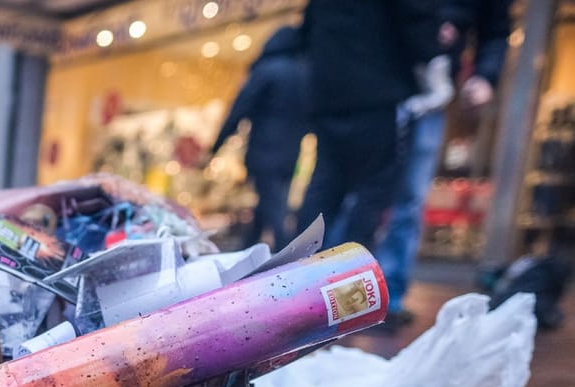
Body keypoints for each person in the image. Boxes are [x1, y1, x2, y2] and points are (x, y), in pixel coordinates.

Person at [374, 0, 512, 328]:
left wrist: (484, 76)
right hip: (383, 83)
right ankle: (339, 288)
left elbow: (495, 29)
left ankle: (385, 296)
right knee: (369, 189)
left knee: (409, 197)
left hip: (431, 91)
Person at [296, 0, 441, 282]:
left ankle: (295, 281)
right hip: (379, 95)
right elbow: (415, 21)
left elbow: (306, 34)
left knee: (324, 190)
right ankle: (347, 289)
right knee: (372, 196)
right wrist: (433, 59)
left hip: (330, 98)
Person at [210, 25, 310, 250]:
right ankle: (249, 250)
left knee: (273, 208)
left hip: (264, 151)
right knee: (269, 203)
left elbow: (239, 109)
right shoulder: (303, 72)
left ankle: (290, 254)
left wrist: (216, 146)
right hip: (290, 153)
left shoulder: (266, 70)